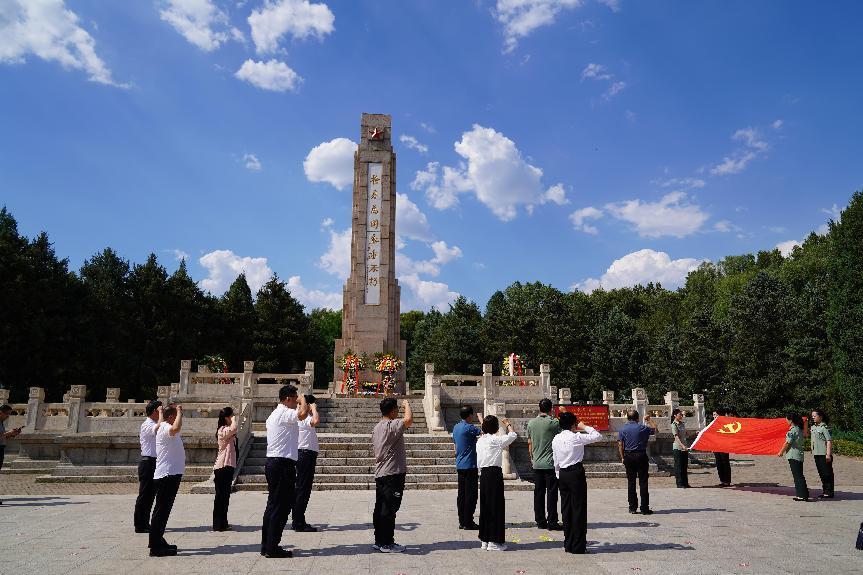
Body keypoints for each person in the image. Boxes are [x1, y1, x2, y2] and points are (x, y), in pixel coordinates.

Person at [261, 385, 309, 558]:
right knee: (281, 506)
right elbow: (302, 414)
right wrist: (303, 400)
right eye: (295, 398)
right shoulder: (284, 412)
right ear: (288, 398)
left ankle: (267, 545)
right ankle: (272, 547)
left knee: (273, 505)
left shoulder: (274, 414)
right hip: (282, 465)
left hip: (274, 463)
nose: (297, 401)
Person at [553, 412, 603, 554]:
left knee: (566, 508)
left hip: (562, 473)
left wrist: (558, 474)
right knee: (578, 508)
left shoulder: (556, 438)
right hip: (575, 473)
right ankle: (578, 545)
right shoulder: (576, 437)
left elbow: (555, 459)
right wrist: (584, 426)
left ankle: (568, 542)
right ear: (573, 424)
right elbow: (598, 436)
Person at [372, 398, 413, 553]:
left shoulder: (377, 427)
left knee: (380, 507)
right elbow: (408, 420)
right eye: (397, 409)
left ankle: (379, 540)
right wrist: (407, 404)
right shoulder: (392, 425)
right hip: (392, 473)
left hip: (381, 473)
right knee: (389, 508)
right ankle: (387, 542)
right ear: (393, 410)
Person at [476, 415, 517, 551]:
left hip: (484, 474)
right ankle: (494, 541)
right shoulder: (495, 440)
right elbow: (513, 436)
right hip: (494, 474)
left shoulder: (480, 441)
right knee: (495, 507)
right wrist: (508, 424)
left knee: (486, 507)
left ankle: (485, 539)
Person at [150, 405, 184, 556]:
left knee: (163, 511)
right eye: (176, 416)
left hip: (170, 474)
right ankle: (156, 546)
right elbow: (176, 428)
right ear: (171, 417)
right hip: (167, 475)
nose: (179, 419)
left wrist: (164, 413)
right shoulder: (165, 427)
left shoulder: (164, 426)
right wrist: (179, 412)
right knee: (161, 511)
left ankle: (157, 540)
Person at [526, 398, 562, 530]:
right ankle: (552, 521)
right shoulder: (554, 423)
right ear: (551, 409)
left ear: (539, 408)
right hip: (550, 464)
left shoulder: (531, 423)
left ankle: (540, 521)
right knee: (552, 494)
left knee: (538, 493)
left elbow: (529, 443)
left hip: (537, 464)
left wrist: (532, 458)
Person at [617, 410, 656, 514]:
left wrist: (622, 457)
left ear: (627, 418)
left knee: (631, 482)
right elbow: (655, 430)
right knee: (643, 482)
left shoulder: (622, 429)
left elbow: (620, 444)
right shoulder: (643, 428)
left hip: (628, 456)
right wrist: (649, 420)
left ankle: (632, 507)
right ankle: (644, 508)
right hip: (641, 455)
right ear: (638, 418)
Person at [293, 394, 320, 532]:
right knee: (303, 489)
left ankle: (298, 519)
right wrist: (314, 409)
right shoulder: (303, 418)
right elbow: (316, 421)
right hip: (305, 455)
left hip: (304, 454)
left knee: (301, 488)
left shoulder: (299, 416)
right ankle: (298, 522)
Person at [452, 405, 482, 530]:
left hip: (460, 464)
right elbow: (486, 432)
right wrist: (481, 418)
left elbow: (454, 444)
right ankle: (468, 521)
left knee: (462, 495)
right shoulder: (470, 428)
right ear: (470, 415)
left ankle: (462, 521)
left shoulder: (456, 427)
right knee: (471, 495)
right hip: (470, 465)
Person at [134, 400, 161, 532]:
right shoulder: (147, 424)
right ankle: (140, 524)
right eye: (160, 410)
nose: (161, 413)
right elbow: (158, 428)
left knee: (150, 496)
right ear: (155, 411)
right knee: (145, 495)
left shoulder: (154, 423)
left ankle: (145, 523)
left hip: (154, 462)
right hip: (148, 462)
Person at [212, 406, 238, 531]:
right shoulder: (222, 430)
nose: (233, 418)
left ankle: (223, 522)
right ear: (227, 417)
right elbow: (234, 428)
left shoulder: (226, 430)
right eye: (231, 415)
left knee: (225, 497)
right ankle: (218, 524)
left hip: (227, 467)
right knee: (220, 497)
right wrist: (234, 420)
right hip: (222, 467)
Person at [778, 412, 809, 501]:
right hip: (799, 454)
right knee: (799, 475)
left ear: (791, 420)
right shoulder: (799, 429)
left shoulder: (792, 430)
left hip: (793, 455)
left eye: (787, 419)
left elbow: (788, 443)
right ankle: (803, 494)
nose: (786, 421)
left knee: (797, 476)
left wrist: (781, 452)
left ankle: (802, 495)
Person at [0, 404, 23, 505]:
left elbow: (2, 437)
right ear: (1, 412)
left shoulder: (1, 423)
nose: (8, 416)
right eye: (7, 414)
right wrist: (7, 434)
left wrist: (11, 435)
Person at [810, 409, 834, 499]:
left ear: (820, 417)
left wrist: (828, 454)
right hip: (816, 453)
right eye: (812, 416)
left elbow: (829, 441)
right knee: (821, 473)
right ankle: (825, 491)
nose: (813, 417)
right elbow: (806, 434)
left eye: (814, 416)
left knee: (827, 473)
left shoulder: (824, 427)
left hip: (824, 454)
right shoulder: (813, 427)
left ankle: (829, 492)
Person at [712, 408, 733, 487]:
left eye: (715, 415)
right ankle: (722, 480)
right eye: (713, 415)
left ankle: (727, 481)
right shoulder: (713, 424)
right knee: (719, 463)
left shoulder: (725, 423)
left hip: (724, 446)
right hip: (716, 447)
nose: (714, 416)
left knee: (725, 462)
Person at [670, 408, 690, 488]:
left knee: (684, 466)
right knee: (678, 466)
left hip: (685, 447)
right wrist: (682, 445)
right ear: (675, 415)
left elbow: (686, 434)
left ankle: (685, 483)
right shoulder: (674, 424)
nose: (681, 416)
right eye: (680, 414)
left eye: (682, 414)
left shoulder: (682, 424)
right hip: (678, 448)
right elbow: (676, 437)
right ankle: (679, 483)